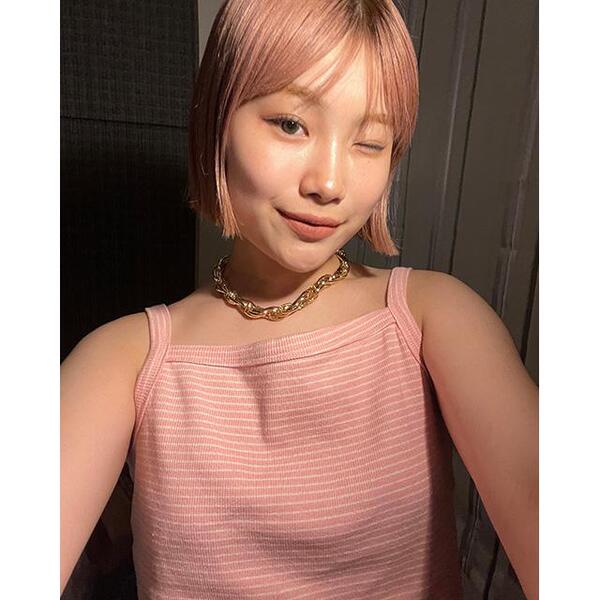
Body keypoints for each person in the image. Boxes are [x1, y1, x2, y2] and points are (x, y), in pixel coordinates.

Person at [61, 0, 539, 598]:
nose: (330, 183)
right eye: (291, 124)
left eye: (370, 142)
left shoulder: (434, 317)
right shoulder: (125, 358)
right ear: (217, 117)